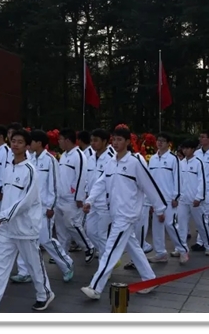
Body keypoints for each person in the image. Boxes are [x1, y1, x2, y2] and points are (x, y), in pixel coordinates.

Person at [80, 126, 167, 300]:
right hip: (115, 212)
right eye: (114, 139)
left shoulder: (134, 163)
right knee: (133, 247)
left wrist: (160, 208)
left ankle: (95, 287)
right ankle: (150, 279)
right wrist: (90, 200)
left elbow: (150, 186)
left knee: (110, 250)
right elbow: (100, 183)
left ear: (128, 142)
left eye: (120, 140)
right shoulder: (111, 162)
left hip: (126, 215)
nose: (116, 143)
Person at [0, 129, 54, 313]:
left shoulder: (30, 170)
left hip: (26, 228)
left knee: (34, 265)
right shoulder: (9, 167)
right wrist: (2, 217)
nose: (15, 144)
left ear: (27, 146)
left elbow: (25, 202)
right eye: (13, 141)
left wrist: (1, 216)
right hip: (8, 229)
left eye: (20, 142)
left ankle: (44, 294)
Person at [14, 130, 74, 283]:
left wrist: (51, 206)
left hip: (45, 207)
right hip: (31, 207)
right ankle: (24, 271)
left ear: (39, 143)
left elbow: (54, 185)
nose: (29, 144)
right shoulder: (31, 159)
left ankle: (66, 263)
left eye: (32, 141)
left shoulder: (50, 160)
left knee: (46, 239)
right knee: (26, 238)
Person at [55, 128, 94, 262]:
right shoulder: (64, 155)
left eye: (60, 139)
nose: (59, 142)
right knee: (61, 228)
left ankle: (88, 246)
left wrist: (79, 197)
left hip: (71, 198)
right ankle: (63, 253)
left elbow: (82, 177)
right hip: (61, 197)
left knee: (72, 224)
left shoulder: (79, 156)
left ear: (67, 140)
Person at [147, 132, 186, 263]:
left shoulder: (173, 159)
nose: (160, 143)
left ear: (169, 143)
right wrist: (150, 200)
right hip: (156, 199)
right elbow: (149, 180)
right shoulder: (152, 159)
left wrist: (176, 196)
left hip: (169, 198)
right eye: (158, 140)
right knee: (157, 227)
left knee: (171, 225)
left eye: (163, 141)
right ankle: (160, 253)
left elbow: (178, 178)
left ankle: (182, 250)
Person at [83, 129, 115, 257]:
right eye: (91, 140)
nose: (92, 143)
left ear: (105, 141)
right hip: (92, 202)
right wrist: (87, 194)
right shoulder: (90, 158)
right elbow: (87, 178)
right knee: (90, 232)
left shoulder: (112, 158)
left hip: (105, 203)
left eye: (96, 140)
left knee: (102, 234)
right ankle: (108, 255)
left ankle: (105, 260)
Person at [176, 140, 208, 263]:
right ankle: (182, 249)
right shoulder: (181, 163)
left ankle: (208, 245)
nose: (185, 151)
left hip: (195, 200)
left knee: (200, 224)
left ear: (193, 149)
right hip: (183, 200)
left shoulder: (198, 163)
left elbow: (202, 181)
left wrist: (199, 197)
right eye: (183, 148)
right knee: (181, 225)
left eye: (188, 148)